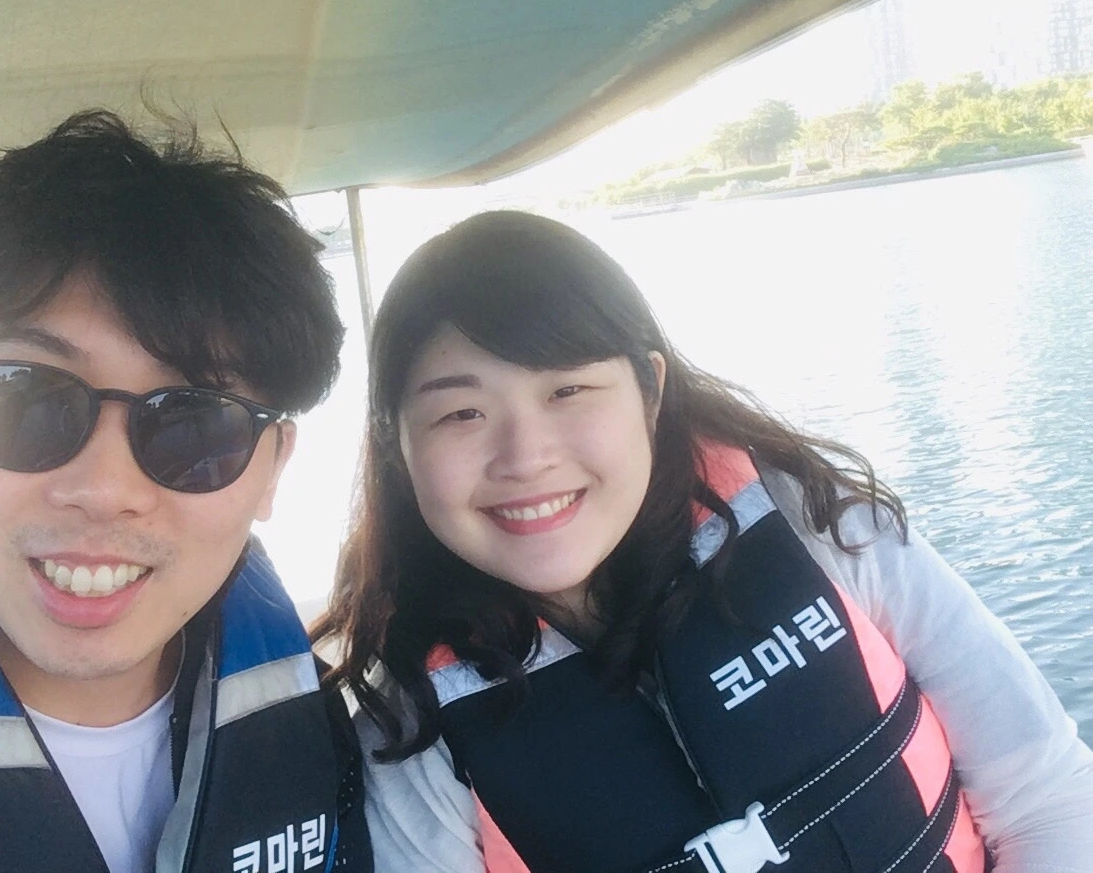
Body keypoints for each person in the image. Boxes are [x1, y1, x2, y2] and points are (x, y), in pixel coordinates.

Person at [314, 210, 1093, 873]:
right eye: (462, 414)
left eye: (568, 390)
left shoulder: (811, 518)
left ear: (650, 391)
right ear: (396, 444)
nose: (525, 458)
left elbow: (1047, 797)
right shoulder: (409, 724)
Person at [0, 111, 371, 873]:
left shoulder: (312, 705)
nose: (103, 490)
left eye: (194, 425)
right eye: (26, 397)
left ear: (273, 469)